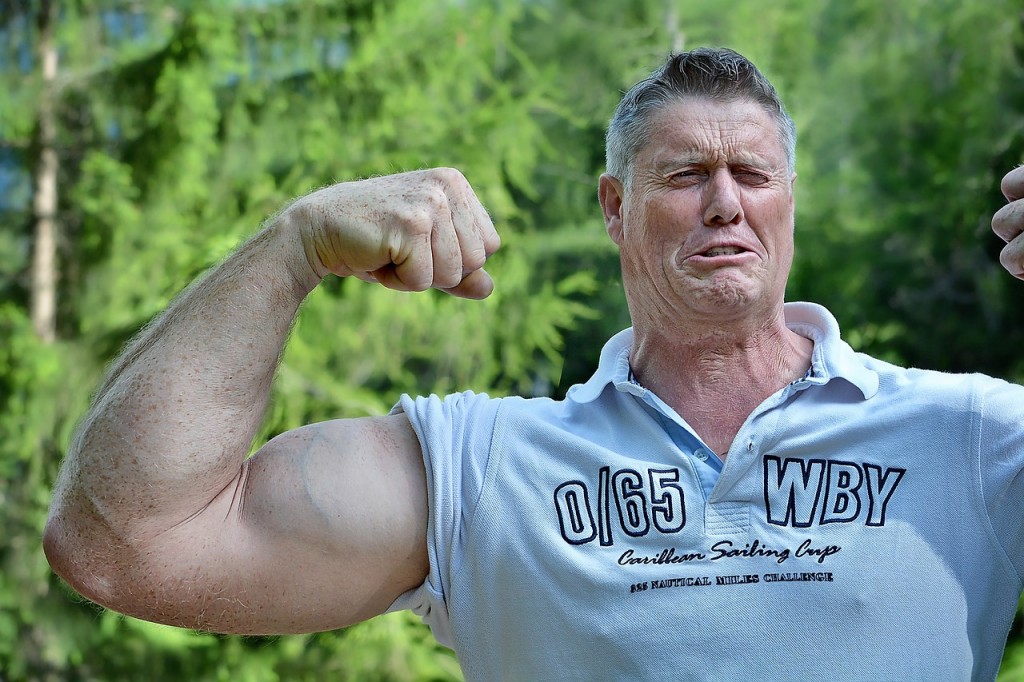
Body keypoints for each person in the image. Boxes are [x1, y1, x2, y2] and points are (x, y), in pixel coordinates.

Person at [44, 47, 1024, 681]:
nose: (726, 202)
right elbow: (126, 541)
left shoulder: (970, 437)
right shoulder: (483, 470)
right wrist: (291, 247)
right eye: (686, 174)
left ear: (789, 201)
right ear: (613, 208)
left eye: (753, 174)